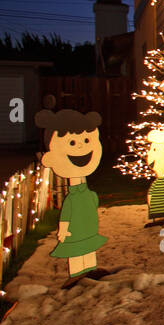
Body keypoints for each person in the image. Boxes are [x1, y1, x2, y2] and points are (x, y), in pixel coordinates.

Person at [37, 109, 109, 287]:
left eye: (86, 140)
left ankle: (90, 267)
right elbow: (67, 212)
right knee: (77, 248)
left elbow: (92, 202)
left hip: (88, 225)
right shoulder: (73, 198)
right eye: (72, 142)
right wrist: (63, 228)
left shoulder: (85, 194)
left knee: (88, 245)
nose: (80, 147)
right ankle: (77, 272)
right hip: (75, 230)